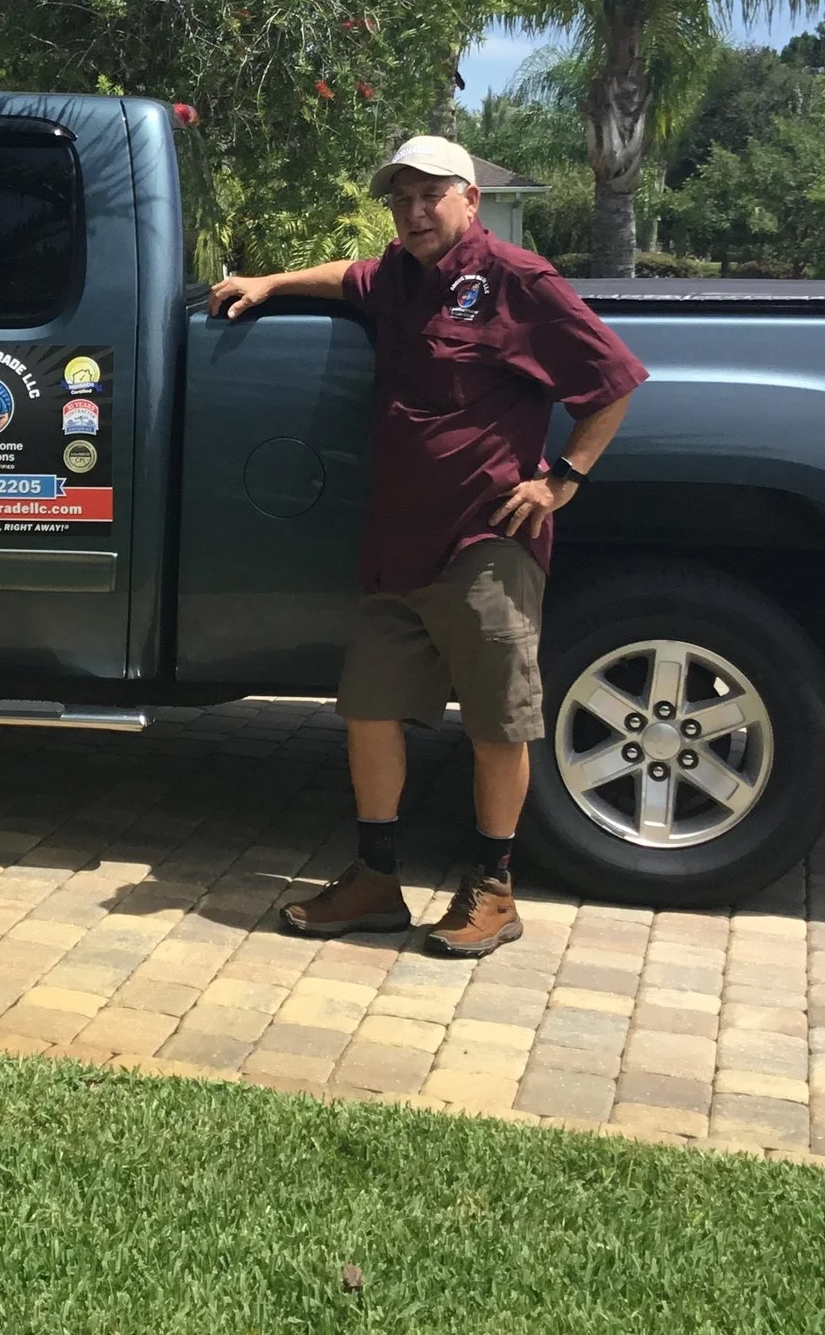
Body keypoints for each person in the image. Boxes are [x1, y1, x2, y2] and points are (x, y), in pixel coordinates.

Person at [208, 134, 646, 956]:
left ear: (470, 199)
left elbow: (613, 379)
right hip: (395, 545)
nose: (413, 211)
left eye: (430, 195)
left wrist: (561, 479)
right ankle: (376, 880)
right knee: (370, 711)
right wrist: (270, 282)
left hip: (486, 540)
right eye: (401, 197)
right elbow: (347, 275)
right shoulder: (398, 276)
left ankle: (495, 890)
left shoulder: (517, 279)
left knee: (497, 724)